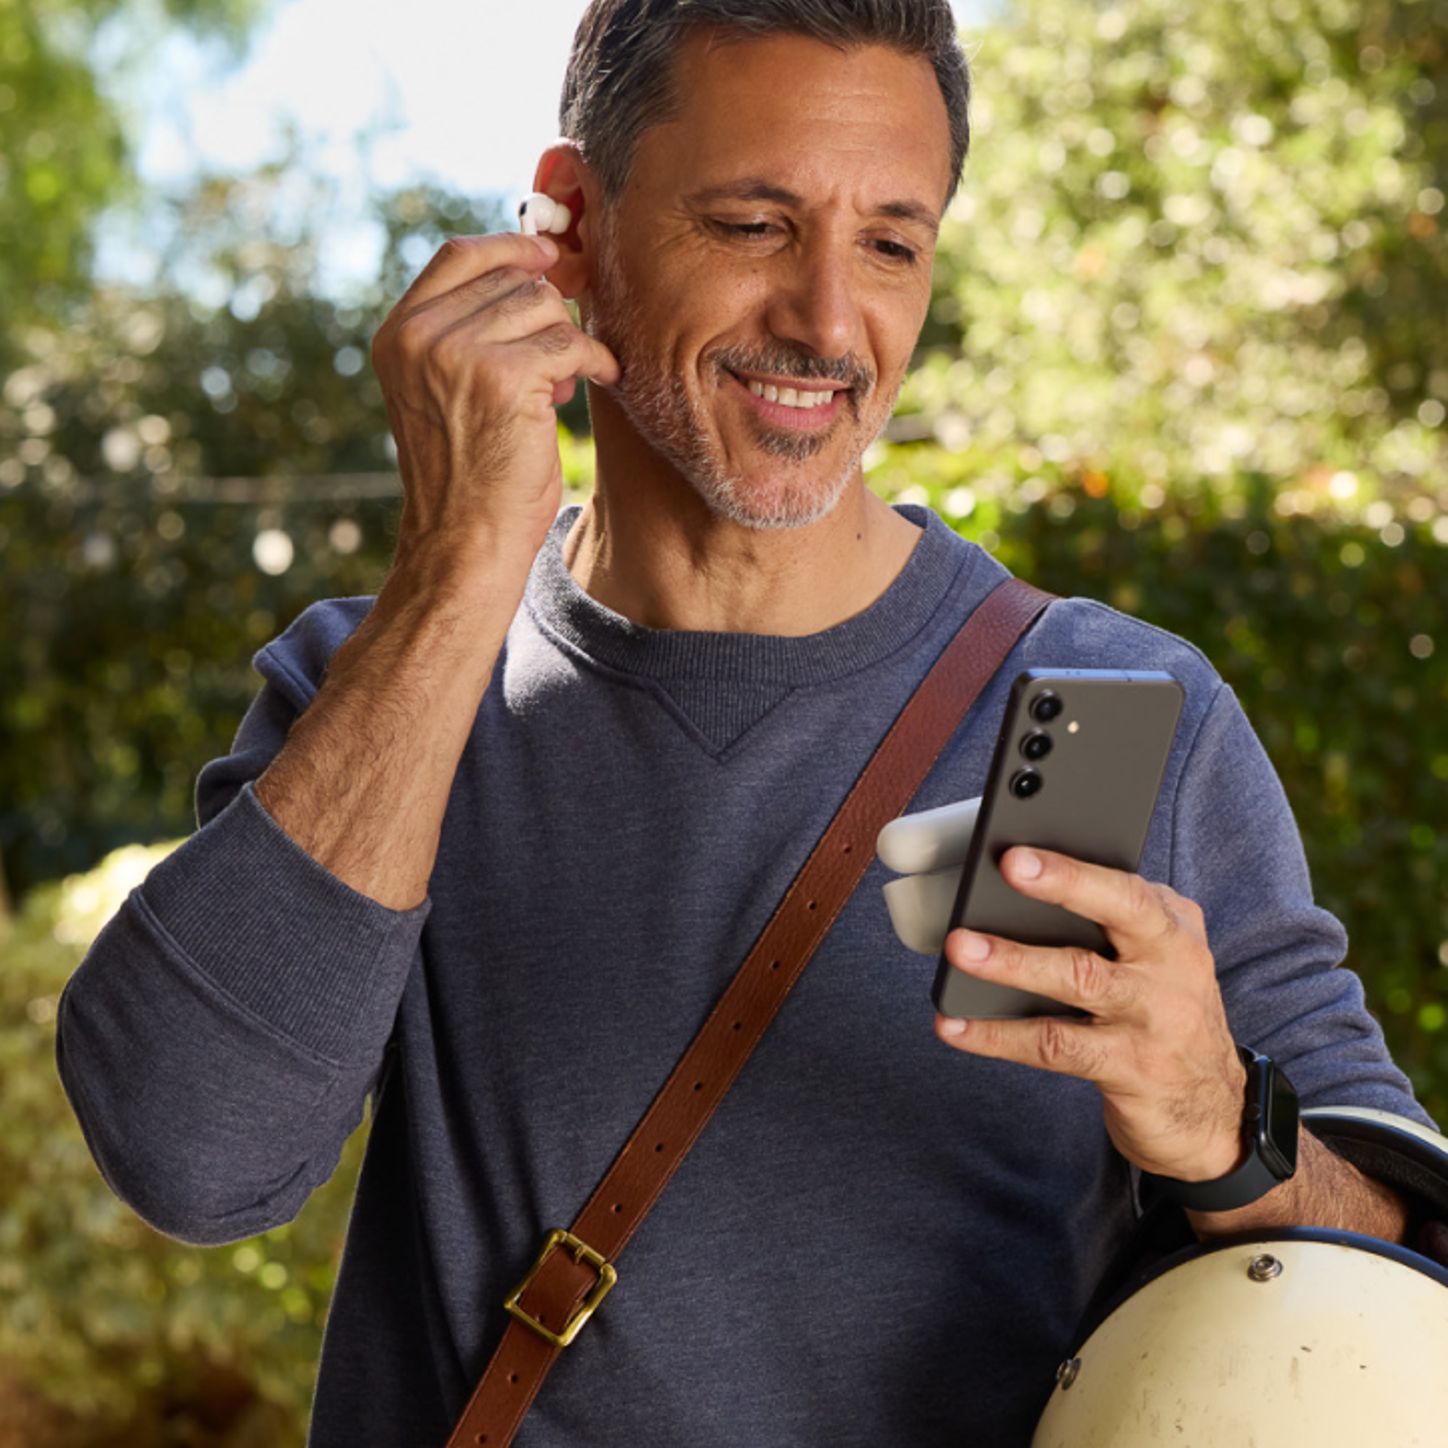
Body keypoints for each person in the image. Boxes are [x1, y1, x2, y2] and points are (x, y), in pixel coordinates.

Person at [57, 3, 1436, 1444]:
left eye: (891, 243)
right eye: (755, 224)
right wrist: (460, 569)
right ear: (570, 223)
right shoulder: (381, 685)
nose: (831, 322)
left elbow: (1401, 1272)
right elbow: (191, 1160)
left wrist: (1227, 1127)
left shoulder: (1106, 715)